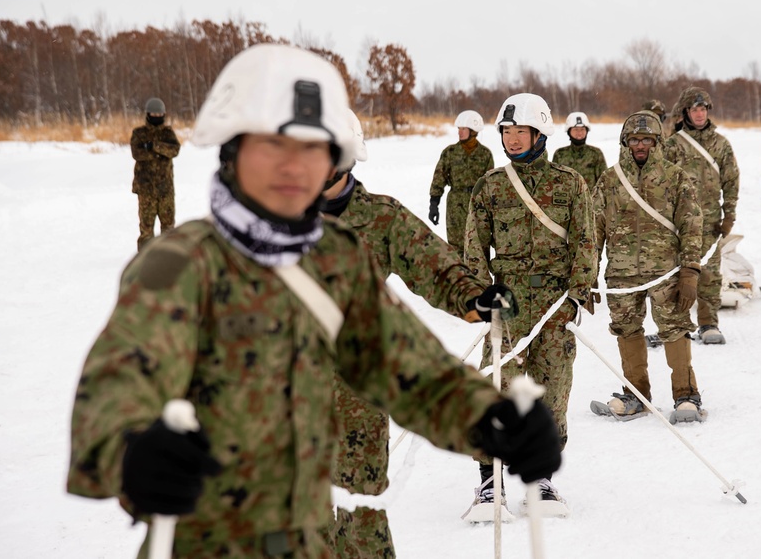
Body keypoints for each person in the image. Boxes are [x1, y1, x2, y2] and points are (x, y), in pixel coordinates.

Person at [66, 44, 561, 559]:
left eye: (313, 151)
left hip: (332, 523)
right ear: (233, 150)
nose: (294, 168)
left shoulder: (340, 257)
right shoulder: (181, 265)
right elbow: (111, 396)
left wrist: (490, 420)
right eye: (274, 147)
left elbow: (410, 370)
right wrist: (135, 453)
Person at [321, 109, 511, 557]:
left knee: (361, 517)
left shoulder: (381, 219)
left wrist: (474, 299)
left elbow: (437, 268)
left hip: (356, 399)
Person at [464, 93, 597, 511]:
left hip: (556, 305)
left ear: (539, 133)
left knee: (552, 390)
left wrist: (577, 298)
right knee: (496, 388)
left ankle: (540, 480)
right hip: (508, 304)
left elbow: (586, 244)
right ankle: (490, 480)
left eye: (520, 131)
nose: (513, 139)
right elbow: (473, 250)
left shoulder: (570, 183)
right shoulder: (489, 186)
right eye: (506, 132)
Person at [590, 110, 705, 423]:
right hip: (621, 274)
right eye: (634, 139)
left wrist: (690, 272)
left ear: (658, 142)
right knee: (626, 329)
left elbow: (692, 225)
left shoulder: (675, 177)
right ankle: (635, 395)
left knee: (674, 329)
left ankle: (686, 396)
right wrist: (587, 276)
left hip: (665, 271)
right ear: (625, 142)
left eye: (647, 140)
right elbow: (593, 230)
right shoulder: (610, 180)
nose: (640, 145)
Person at [663, 87, 740, 344]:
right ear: (686, 112)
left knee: (709, 275)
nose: (699, 114)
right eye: (694, 109)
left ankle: (708, 323)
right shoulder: (672, 145)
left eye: (703, 109)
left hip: (710, 222)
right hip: (679, 224)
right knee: (677, 274)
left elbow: (731, 181)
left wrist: (729, 214)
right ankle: (676, 324)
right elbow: (660, 183)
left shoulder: (720, 144)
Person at [428, 110, 495, 249]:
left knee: (479, 245)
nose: (459, 132)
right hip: (455, 205)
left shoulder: (485, 154)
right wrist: (434, 204)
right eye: (459, 129)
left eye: (463, 129)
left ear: (473, 130)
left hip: (477, 204)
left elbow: (490, 184)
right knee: (456, 246)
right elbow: (438, 178)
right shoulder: (450, 152)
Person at [130, 97, 181, 252]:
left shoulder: (168, 133)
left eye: (159, 114)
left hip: (165, 189)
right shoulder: (139, 133)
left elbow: (174, 150)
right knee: (146, 229)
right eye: (154, 114)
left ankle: (168, 256)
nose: (157, 117)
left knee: (168, 228)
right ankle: (145, 258)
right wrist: (159, 153)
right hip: (146, 189)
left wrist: (153, 146)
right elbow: (137, 153)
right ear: (148, 114)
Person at [551, 111, 607, 192]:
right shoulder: (560, 154)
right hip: (566, 201)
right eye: (576, 130)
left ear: (587, 131)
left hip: (590, 202)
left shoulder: (596, 153)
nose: (579, 133)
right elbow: (554, 182)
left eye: (582, 129)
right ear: (569, 131)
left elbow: (603, 182)